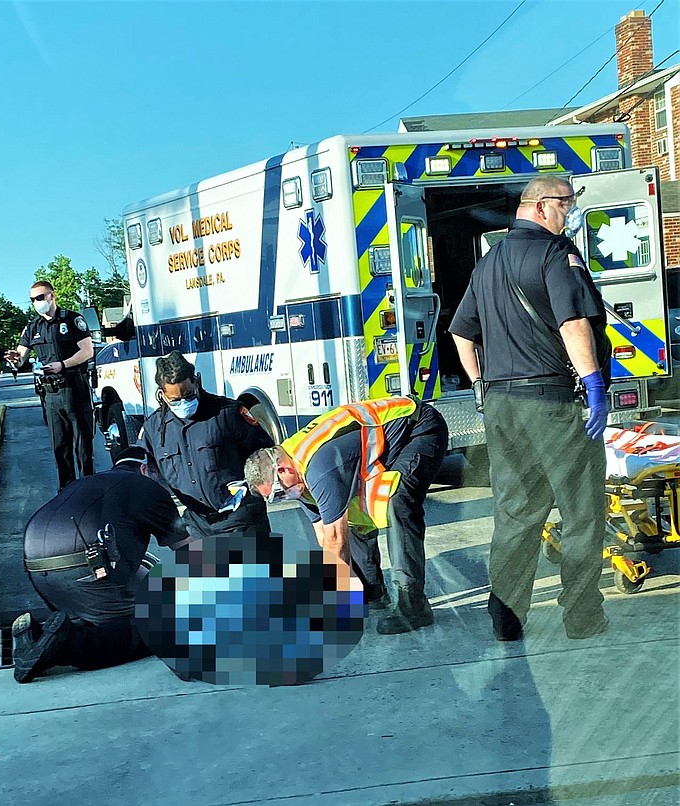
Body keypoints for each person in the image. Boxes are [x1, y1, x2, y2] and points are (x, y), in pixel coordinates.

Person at [449, 176, 611, 642]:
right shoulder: (556, 256)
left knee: (516, 515)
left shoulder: (488, 264)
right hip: (552, 405)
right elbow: (573, 322)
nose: (570, 213)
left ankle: (506, 619)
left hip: (502, 408)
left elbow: (462, 334)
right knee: (582, 514)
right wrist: (594, 384)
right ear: (542, 207)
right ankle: (582, 617)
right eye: (567, 204)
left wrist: (479, 385)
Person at [244, 396, 448, 634]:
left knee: (396, 501)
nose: (282, 499)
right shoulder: (293, 472)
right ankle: (371, 590)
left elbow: (335, 540)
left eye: (279, 493)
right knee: (351, 513)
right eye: (274, 499)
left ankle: (413, 604)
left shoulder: (318, 470)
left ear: (282, 469)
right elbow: (323, 533)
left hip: (419, 427)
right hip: (386, 444)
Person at [12, 446, 188, 683]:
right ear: (145, 469)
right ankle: (68, 644)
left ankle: (36, 637)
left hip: (37, 570)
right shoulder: (147, 487)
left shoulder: (86, 483)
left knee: (100, 618)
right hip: (85, 569)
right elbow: (187, 549)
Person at [140, 350, 275, 542]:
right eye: (175, 400)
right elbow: (142, 468)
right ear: (162, 395)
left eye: (188, 395)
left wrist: (253, 487)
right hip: (196, 526)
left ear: (196, 382)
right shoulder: (154, 428)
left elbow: (266, 454)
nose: (183, 402)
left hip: (241, 519)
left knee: (249, 573)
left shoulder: (228, 413)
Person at [6, 280, 94, 490]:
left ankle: (89, 487)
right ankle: (66, 490)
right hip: (49, 393)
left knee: (82, 444)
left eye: (40, 297)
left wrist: (63, 364)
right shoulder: (32, 327)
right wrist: (13, 359)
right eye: (32, 300)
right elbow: (21, 358)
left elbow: (87, 351)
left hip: (74, 388)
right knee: (59, 446)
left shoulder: (72, 319)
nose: (36, 302)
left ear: (51, 296)